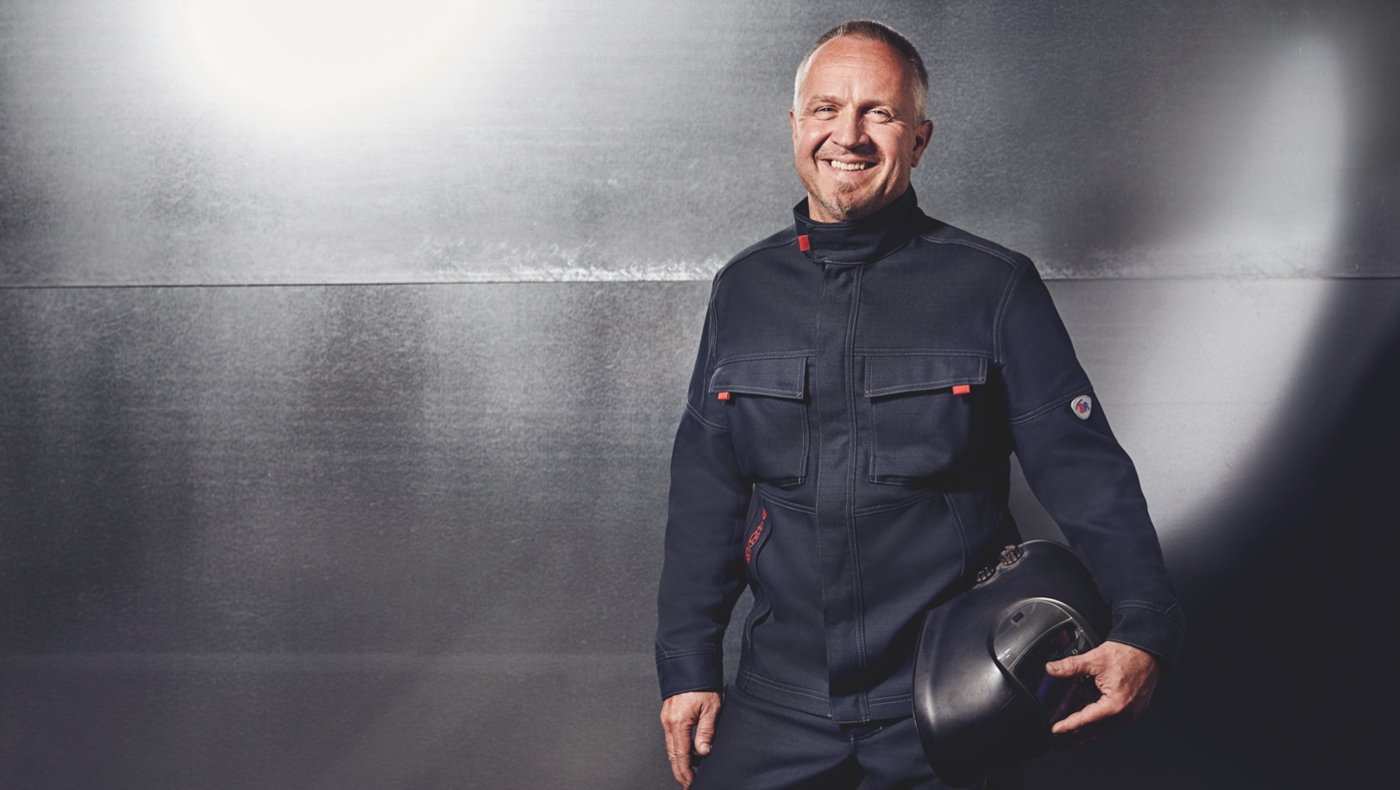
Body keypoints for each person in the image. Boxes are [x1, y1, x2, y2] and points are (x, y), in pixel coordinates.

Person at [655, 20, 1184, 790]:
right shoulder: (742, 291)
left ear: (920, 137)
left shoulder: (994, 288)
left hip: (949, 699)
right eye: (827, 109)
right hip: (780, 702)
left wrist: (1147, 627)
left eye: (880, 112)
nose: (850, 135)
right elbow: (707, 493)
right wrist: (687, 665)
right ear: (797, 126)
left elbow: (1086, 474)